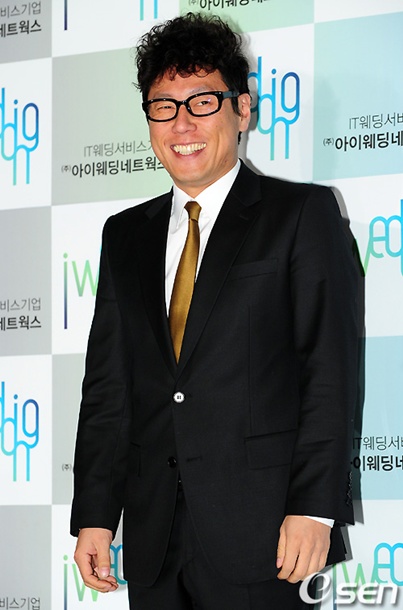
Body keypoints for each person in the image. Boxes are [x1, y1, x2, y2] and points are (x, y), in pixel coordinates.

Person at [71, 12, 358, 610]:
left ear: (242, 109)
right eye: (164, 106)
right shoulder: (124, 235)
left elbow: (329, 371)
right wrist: (95, 514)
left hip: (269, 535)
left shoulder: (301, 215)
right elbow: (108, 388)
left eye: (203, 101)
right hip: (153, 539)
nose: (183, 124)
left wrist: (314, 508)